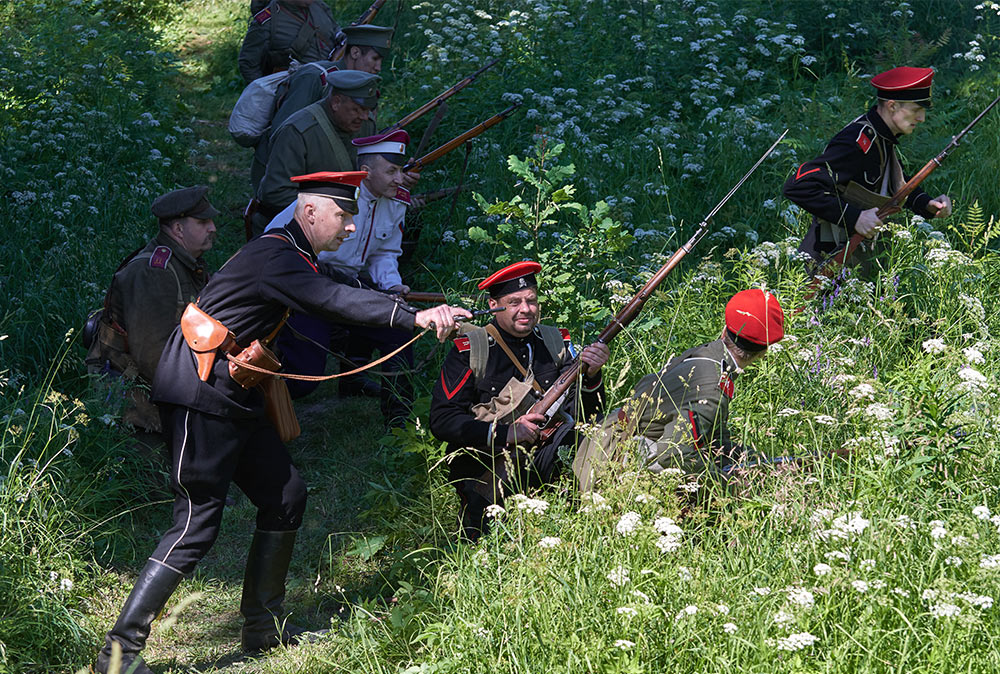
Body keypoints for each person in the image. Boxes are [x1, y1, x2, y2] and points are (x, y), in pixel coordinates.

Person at [94, 172, 469, 674]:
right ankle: (117, 655)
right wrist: (411, 318)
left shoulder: (292, 255)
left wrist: (403, 306)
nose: (351, 227)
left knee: (286, 495)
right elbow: (330, 299)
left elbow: (334, 289)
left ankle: (261, 628)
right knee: (197, 523)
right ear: (309, 213)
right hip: (199, 394)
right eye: (343, 215)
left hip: (234, 393)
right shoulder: (277, 255)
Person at [429, 261, 610, 541]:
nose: (526, 309)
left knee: (598, 440)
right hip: (488, 462)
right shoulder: (471, 349)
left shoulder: (555, 342)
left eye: (531, 301)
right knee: (483, 538)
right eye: (514, 302)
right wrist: (506, 433)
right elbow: (443, 421)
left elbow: (587, 415)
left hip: (550, 450)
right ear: (493, 306)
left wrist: (593, 375)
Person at [266, 130, 416, 423]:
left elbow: (385, 252)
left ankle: (401, 421)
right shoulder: (332, 198)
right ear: (366, 171)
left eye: (400, 170)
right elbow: (273, 237)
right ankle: (264, 406)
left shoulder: (396, 202)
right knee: (304, 378)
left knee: (400, 326)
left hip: (350, 284)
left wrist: (392, 285)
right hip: (311, 287)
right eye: (391, 171)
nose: (400, 179)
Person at [573, 289, 785, 492]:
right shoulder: (712, 387)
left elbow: (712, 436)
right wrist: (727, 485)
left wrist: (754, 460)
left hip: (606, 443)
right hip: (611, 462)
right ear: (763, 352)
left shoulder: (707, 356)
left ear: (724, 330)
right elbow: (673, 454)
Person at [783, 66, 953, 271]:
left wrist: (926, 203)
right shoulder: (855, 142)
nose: (922, 118)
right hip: (825, 259)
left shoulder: (881, 138)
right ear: (892, 106)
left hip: (853, 261)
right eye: (916, 110)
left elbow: (894, 182)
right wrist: (855, 218)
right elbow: (798, 185)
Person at [85, 186, 218, 435]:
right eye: (202, 222)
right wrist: (206, 393)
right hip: (136, 404)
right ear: (178, 229)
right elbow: (152, 357)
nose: (212, 227)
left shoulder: (184, 263)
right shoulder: (154, 272)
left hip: (165, 387)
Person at [249, 24, 393, 194]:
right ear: (355, 53)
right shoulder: (314, 77)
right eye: (375, 59)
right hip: (280, 174)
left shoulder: (364, 88)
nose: (378, 67)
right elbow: (284, 132)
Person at [252, 69, 379, 235]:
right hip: (293, 229)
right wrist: (329, 211)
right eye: (357, 109)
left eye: (368, 110)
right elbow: (276, 193)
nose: (364, 116)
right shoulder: (297, 131)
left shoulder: (366, 125)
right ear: (336, 102)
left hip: (347, 225)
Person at [238, 0, 342, 84]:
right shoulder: (268, 22)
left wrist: (342, 37)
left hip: (332, 81)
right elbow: (248, 64)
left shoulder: (319, 5)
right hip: (297, 91)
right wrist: (266, 92)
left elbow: (334, 29)